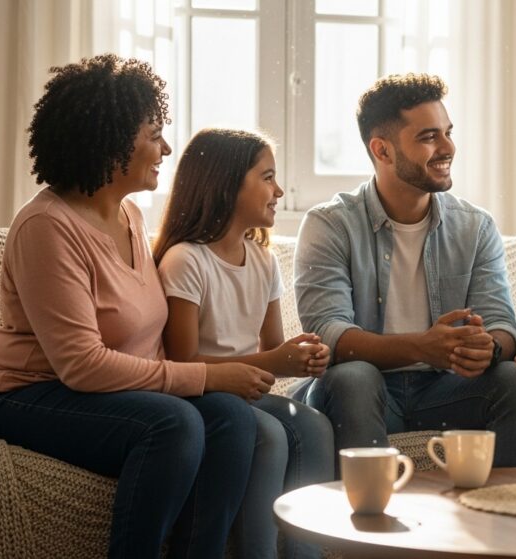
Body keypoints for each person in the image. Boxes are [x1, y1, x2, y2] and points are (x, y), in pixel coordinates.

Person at [0, 55, 270, 558]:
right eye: (154, 134)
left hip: (103, 393)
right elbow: (81, 366)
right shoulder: (46, 226)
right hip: (28, 394)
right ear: (110, 141)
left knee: (233, 419)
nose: (167, 148)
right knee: (173, 423)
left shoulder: (130, 215)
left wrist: (212, 382)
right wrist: (207, 377)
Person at [291, 73, 516, 467]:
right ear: (383, 150)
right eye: (429, 137)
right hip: (366, 390)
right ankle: (365, 522)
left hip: (447, 391)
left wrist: (489, 349)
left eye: (448, 132)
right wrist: (421, 346)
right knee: (353, 377)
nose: (448, 148)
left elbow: (503, 325)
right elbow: (330, 335)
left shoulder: (474, 226)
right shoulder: (330, 224)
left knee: (512, 379)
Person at [153, 128, 335, 559]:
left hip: (248, 395)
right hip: (203, 397)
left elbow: (273, 348)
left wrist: (302, 356)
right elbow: (183, 363)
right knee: (270, 434)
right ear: (228, 183)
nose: (279, 190)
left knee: (315, 426)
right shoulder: (186, 261)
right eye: (267, 177)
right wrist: (277, 358)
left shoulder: (263, 260)